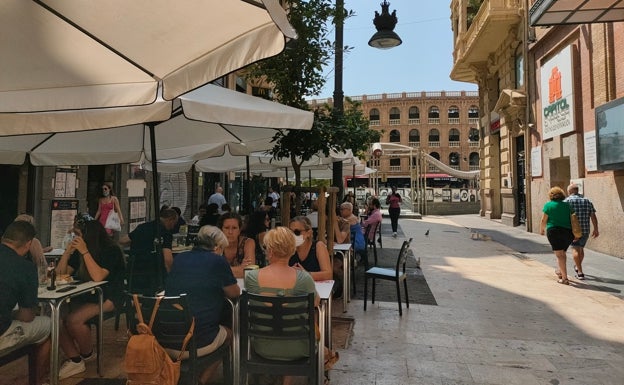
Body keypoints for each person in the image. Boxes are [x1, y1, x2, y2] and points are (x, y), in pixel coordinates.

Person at [245, 227, 338, 385]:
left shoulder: (252, 278)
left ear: (270, 251)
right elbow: (315, 303)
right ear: (291, 250)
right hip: (299, 348)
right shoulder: (303, 279)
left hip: (262, 347)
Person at [165, 225, 239, 385]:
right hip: (197, 341)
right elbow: (234, 293)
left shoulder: (180, 258)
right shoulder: (218, 261)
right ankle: (201, 381)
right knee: (230, 333)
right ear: (218, 247)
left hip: (167, 338)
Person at [55, 215, 125, 380]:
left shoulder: (111, 250)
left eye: (78, 234)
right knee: (55, 320)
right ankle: (75, 358)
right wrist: (67, 252)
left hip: (108, 296)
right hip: (86, 294)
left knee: (74, 320)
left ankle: (86, 355)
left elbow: (98, 277)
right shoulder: (77, 252)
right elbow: (59, 275)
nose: (76, 238)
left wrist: (85, 251)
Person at [0, 221, 51, 385]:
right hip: (2, 331)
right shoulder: (25, 267)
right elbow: (27, 316)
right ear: (29, 243)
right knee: (49, 326)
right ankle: (38, 381)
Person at [121, 207, 179, 273]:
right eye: (174, 223)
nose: (173, 227)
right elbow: (167, 259)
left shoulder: (142, 227)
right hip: (153, 271)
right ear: (170, 220)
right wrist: (169, 275)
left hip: (135, 270)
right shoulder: (165, 233)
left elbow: (123, 241)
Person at [540, 186, 578, 285]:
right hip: (568, 233)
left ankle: (564, 278)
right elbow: (573, 218)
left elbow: (544, 220)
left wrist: (542, 230)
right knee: (562, 253)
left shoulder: (548, 205)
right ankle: (560, 271)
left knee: (560, 255)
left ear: (551, 195)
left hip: (554, 231)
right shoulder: (567, 205)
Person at [564, 183, 599, 280]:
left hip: (573, 231)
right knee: (581, 249)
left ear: (570, 191)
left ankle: (580, 272)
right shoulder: (587, 201)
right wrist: (596, 229)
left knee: (575, 249)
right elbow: (593, 216)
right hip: (585, 230)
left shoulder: (566, 201)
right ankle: (577, 266)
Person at [288, 216, 332, 281]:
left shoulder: (318, 246)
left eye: (297, 232)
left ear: (308, 233)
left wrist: (305, 275)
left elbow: (328, 275)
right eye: (290, 232)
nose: (293, 235)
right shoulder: (288, 248)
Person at [217, 212, 255, 278]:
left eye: (234, 228)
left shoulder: (248, 243)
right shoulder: (215, 244)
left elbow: (249, 271)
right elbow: (208, 269)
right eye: (226, 228)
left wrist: (219, 270)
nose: (230, 232)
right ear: (221, 230)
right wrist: (240, 268)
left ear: (239, 230)